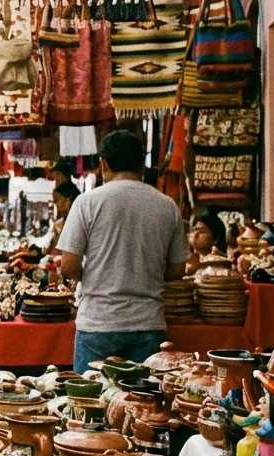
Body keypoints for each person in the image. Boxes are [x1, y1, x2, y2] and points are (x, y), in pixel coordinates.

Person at [59, 130, 189, 372]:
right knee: (142, 406)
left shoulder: (87, 202)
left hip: (98, 323)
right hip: (147, 323)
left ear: (104, 163)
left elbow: (68, 266)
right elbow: (177, 270)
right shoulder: (167, 205)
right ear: (142, 164)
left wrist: (96, 275)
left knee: (90, 402)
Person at [49, 181, 81, 252]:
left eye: (57, 200)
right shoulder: (58, 225)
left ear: (68, 201)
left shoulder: (80, 224)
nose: (55, 204)